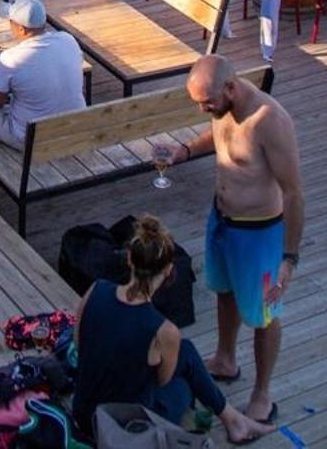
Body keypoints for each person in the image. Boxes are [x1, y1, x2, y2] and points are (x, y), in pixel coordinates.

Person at [167, 56, 303, 425]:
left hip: (259, 236)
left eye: (206, 102)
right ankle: (226, 358)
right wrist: (187, 150)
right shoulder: (222, 104)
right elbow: (219, 133)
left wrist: (289, 259)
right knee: (223, 292)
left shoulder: (270, 121)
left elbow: (293, 193)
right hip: (222, 221)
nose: (202, 108)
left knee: (263, 316)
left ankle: (262, 394)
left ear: (230, 87)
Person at [72, 215, 273, 444]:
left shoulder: (96, 290)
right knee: (185, 385)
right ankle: (234, 421)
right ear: (168, 270)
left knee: (184, 351)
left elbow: (79, 343)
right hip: (122, 425)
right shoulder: (162, 331)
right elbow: (161, 381)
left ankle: (234, 420)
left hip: (84, 411)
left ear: (129, 258)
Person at [0, 0, 85, 148]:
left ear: (21, 29)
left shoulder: (11, 58)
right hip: (75, 126)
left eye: (10, 22)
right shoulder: (68, 40)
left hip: (31, 138)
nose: (9, 25)